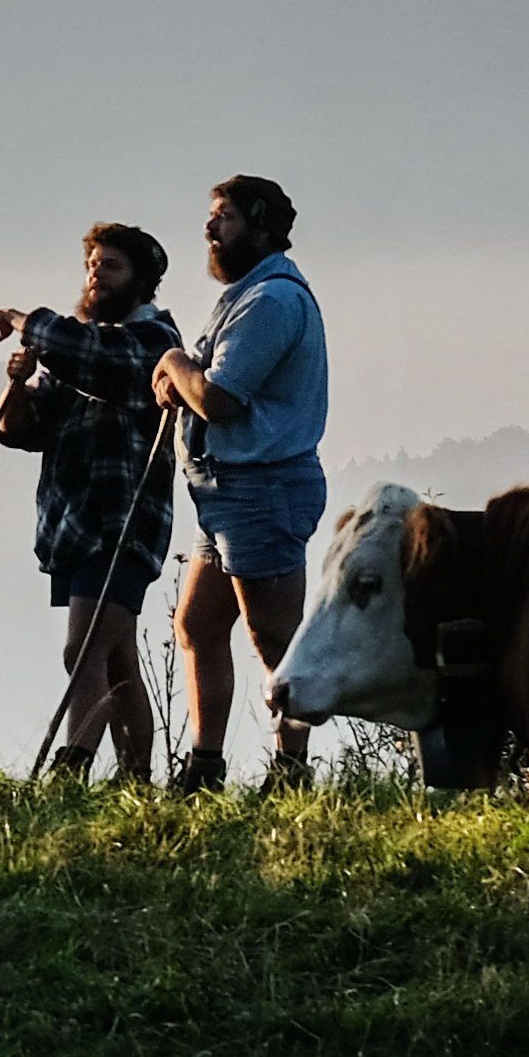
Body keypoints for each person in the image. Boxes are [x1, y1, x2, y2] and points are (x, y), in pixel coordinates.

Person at [0, 220, 181, 782]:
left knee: (81, 650)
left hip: (124, 519)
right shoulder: (78, 349)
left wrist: (21, 320)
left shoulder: (153, 341)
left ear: (142, 280)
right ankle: (137, 782)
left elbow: (98, 359)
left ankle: (71, 770)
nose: (96, 275)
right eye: (92, 265)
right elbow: (18, 429)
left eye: (111, 266)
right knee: (115, 659)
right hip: (76, 522)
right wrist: (17, 382)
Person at [150, 173, 327, 792]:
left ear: (260, 224)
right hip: (224, 492)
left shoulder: (272, 301)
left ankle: (291, 770)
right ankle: (204, 764)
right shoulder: (249, 294)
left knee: (273, 637)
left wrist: (172, 361)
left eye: (223, 216)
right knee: (197, 624)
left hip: (262, 487)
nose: (211, 228)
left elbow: (219, 399)